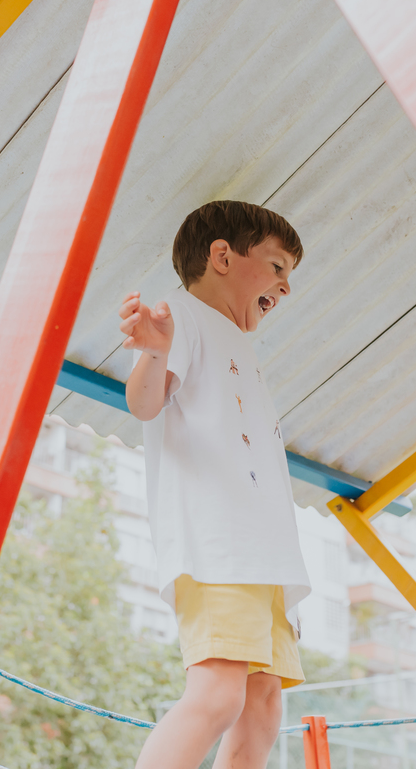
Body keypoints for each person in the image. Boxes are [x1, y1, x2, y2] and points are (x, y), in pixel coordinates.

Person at [119, 200, 311, 769]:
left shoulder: (236, 343)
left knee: (263, 705)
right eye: (277, 267)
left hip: (265, 554)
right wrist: (154, 352)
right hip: (219, 544)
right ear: (222, 257)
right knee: (218, 695)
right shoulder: (184, 315)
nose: (286, 286)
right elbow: (144, 404)